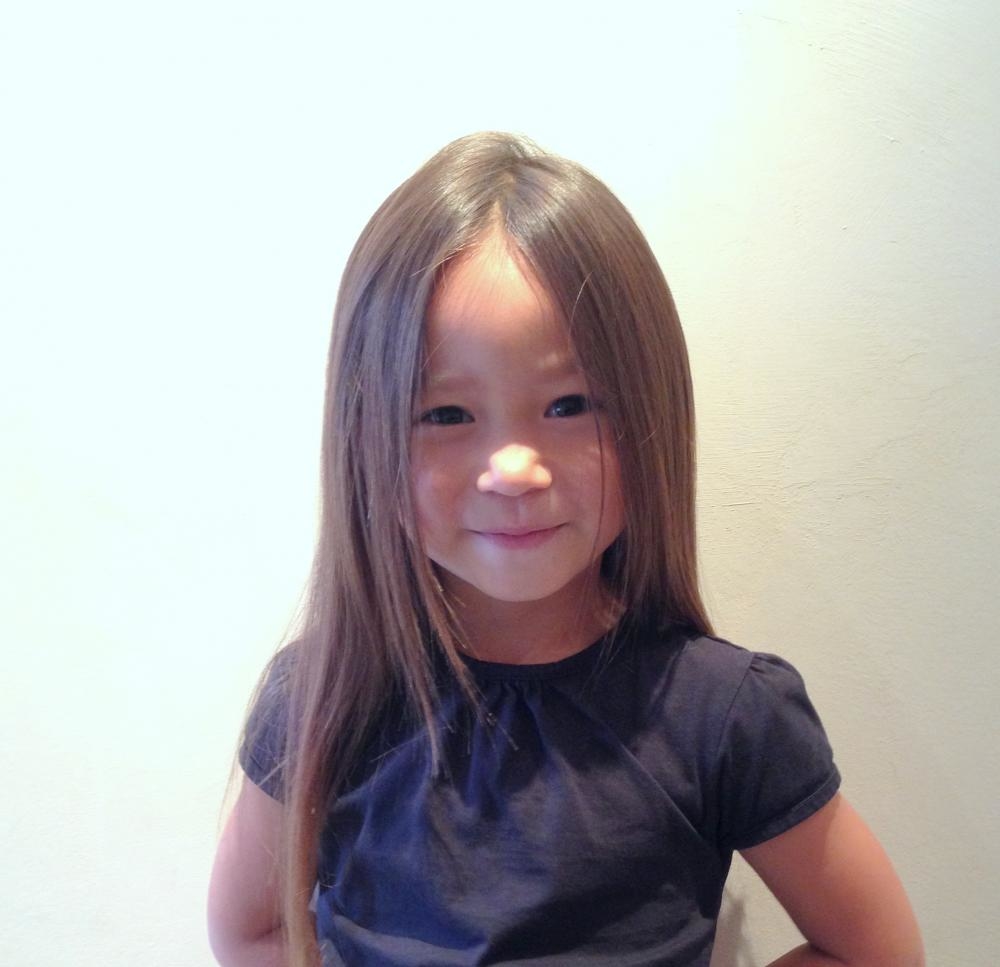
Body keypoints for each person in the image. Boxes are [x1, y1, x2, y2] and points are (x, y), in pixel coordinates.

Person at [207, 132, 924, 967]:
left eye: (570, 403)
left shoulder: (724, 714)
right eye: (446, 414)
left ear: (651, 410)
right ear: (364, 436)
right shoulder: (323, 699)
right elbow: (249, 930)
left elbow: (877, 950)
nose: (513, 469)